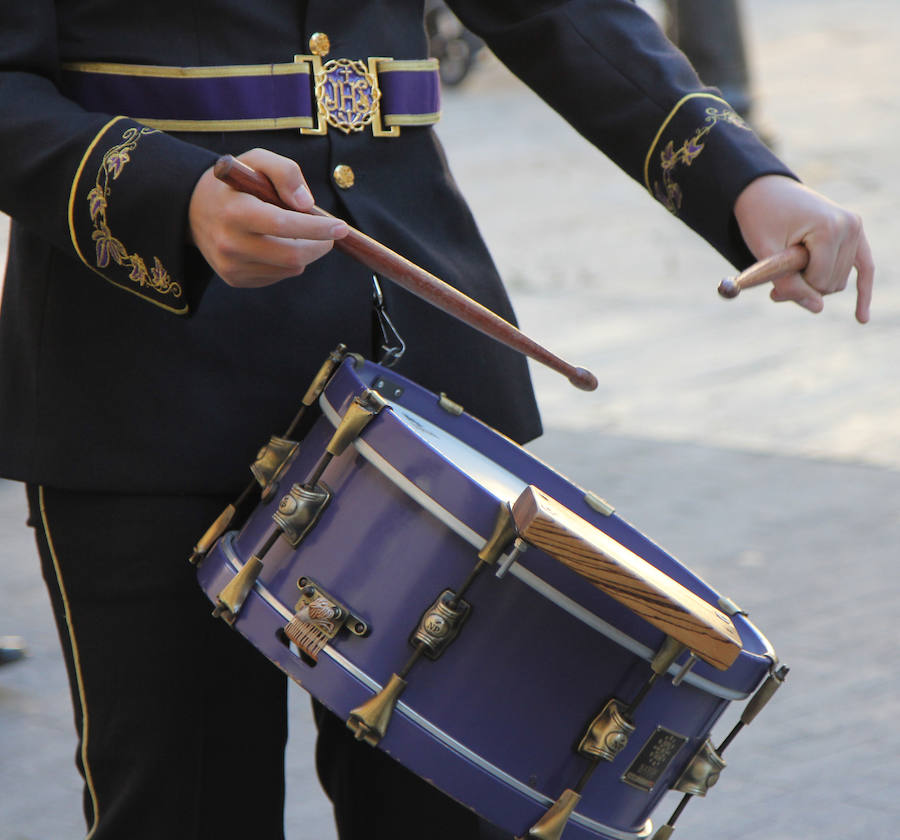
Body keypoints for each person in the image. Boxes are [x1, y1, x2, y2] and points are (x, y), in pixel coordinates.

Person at [0, 1, 873, 839]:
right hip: (139, 378)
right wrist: (171, 193)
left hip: (417, 365)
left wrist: (741, 176)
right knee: (183, 815)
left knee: (452, 819)